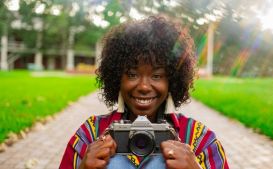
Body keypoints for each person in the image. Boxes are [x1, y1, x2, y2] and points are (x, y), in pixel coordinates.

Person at [59, 16, 229, 169]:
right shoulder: (90, 134)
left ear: (172, 80)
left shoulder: (198, 140)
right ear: (117, 77)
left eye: (157, 75)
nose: (144, 87)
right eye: (132, 74)